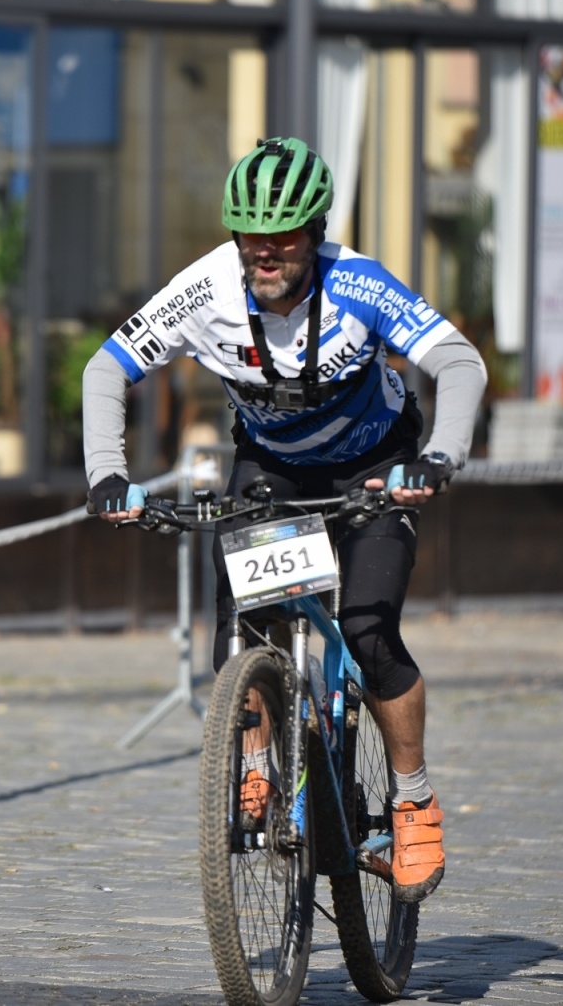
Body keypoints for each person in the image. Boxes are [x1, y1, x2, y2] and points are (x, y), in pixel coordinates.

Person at [83, 136, 486, 903]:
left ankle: (413, 799)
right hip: (270, 465)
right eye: (251, 236)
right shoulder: (203, 291)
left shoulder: (360, 283)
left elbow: (458, 361)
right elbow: (108, 367)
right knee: (242, 623)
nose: (266, 252)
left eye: (286, 235)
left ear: (316, 231)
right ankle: (262, 768)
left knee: (368, 630)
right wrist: (108, 472)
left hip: (376, 463)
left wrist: (437, 458)